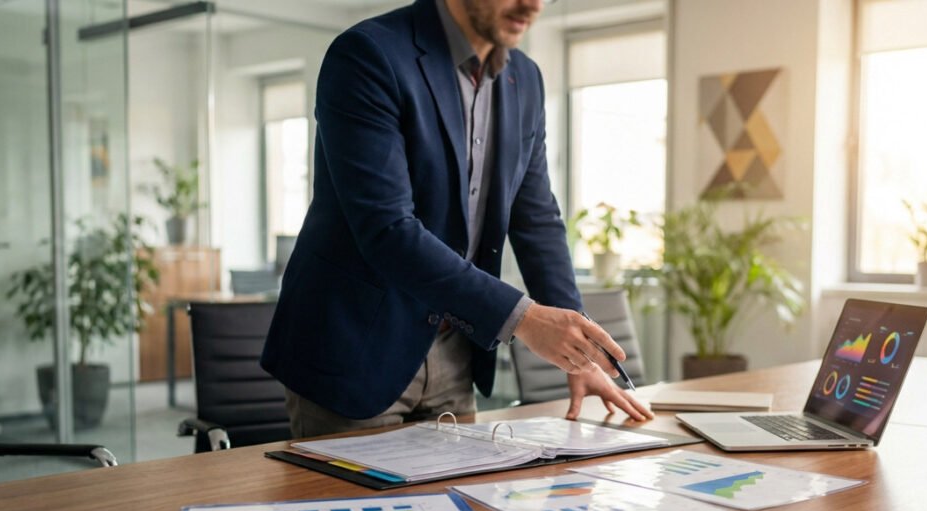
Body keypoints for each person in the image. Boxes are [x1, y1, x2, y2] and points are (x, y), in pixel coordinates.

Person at [261, 0, 653, 437]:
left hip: (454, 350)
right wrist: (524, 318)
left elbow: (537, 219)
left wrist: (579, 352)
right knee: (362, 508)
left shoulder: (526, 78)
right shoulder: (367, 56)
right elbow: (388, 229)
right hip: (356, 349)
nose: (534, 4)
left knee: (454, 505)